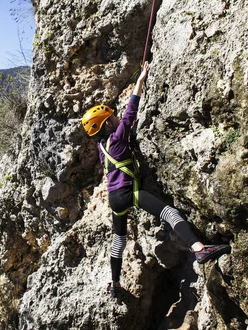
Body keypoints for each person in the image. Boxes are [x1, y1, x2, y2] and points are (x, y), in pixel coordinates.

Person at [81, 62, 231, 298]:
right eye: (113, 116)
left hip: (114, 199)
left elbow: (123, 123)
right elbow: (132, 110)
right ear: (108, 123)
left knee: (118, 240)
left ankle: (115, 283)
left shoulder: (102, 146)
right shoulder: (119, 136)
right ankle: (198, 248)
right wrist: (141, 80)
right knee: (170, 214)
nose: (117, 117)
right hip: (128, 193)